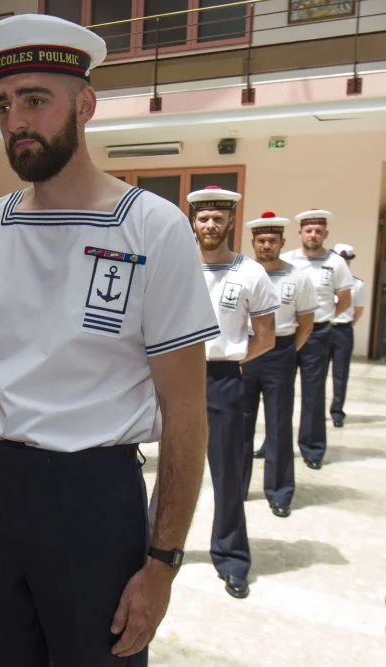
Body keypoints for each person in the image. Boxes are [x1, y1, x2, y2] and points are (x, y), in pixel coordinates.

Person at [0, 14, 220, 666]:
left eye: (36, 100)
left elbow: (185, 410)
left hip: (93, 501)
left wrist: (163, 562)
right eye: (5, 104)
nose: (16, 121)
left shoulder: (152, 228)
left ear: (85, 105)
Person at [187, 186, 279, 599]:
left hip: (224, 379)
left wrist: (232, 361)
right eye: (203, 218)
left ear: (230, 222)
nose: (210, 224)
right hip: (175, 377)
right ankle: (150, 549)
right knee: (164, 469)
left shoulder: (250, 273)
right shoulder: (177, 266)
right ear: (193, 222)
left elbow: (266, 337)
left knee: (226, 475)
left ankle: (231, 558)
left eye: (217, 218)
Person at [241, 212, 316, 519]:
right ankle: (237, 486)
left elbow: (307, 323)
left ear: (283, 243)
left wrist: (285, 353)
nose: (267, 245)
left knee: (279, 424)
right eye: (261, 240)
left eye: (273, 240)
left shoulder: (297, 276)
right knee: (239, 424)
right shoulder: (243, 273)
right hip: (244, 352)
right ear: (253, 243)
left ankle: (280, 492)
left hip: (281, 351)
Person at [281, 209, 354, 468]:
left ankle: (312, 449)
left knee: (314, 393)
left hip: (319, 334)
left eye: (318, 231)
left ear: (326, 233)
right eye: (308, 230)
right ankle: (273, 445)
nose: (313, 235)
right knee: (279, 393)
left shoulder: (336, 263)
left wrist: (320, 319)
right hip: (288, 333)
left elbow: (344, 301)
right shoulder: (286, 259)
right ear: (300, 233)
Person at [328, 242, 366, 427]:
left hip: (343, 330)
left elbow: (358, 310)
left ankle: (337, 412)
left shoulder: (357, 284)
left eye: (346, 261)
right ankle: (316, 412)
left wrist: (347, 325)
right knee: (316, 375)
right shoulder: (325, 281)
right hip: (324, 329)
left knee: (340, 374)